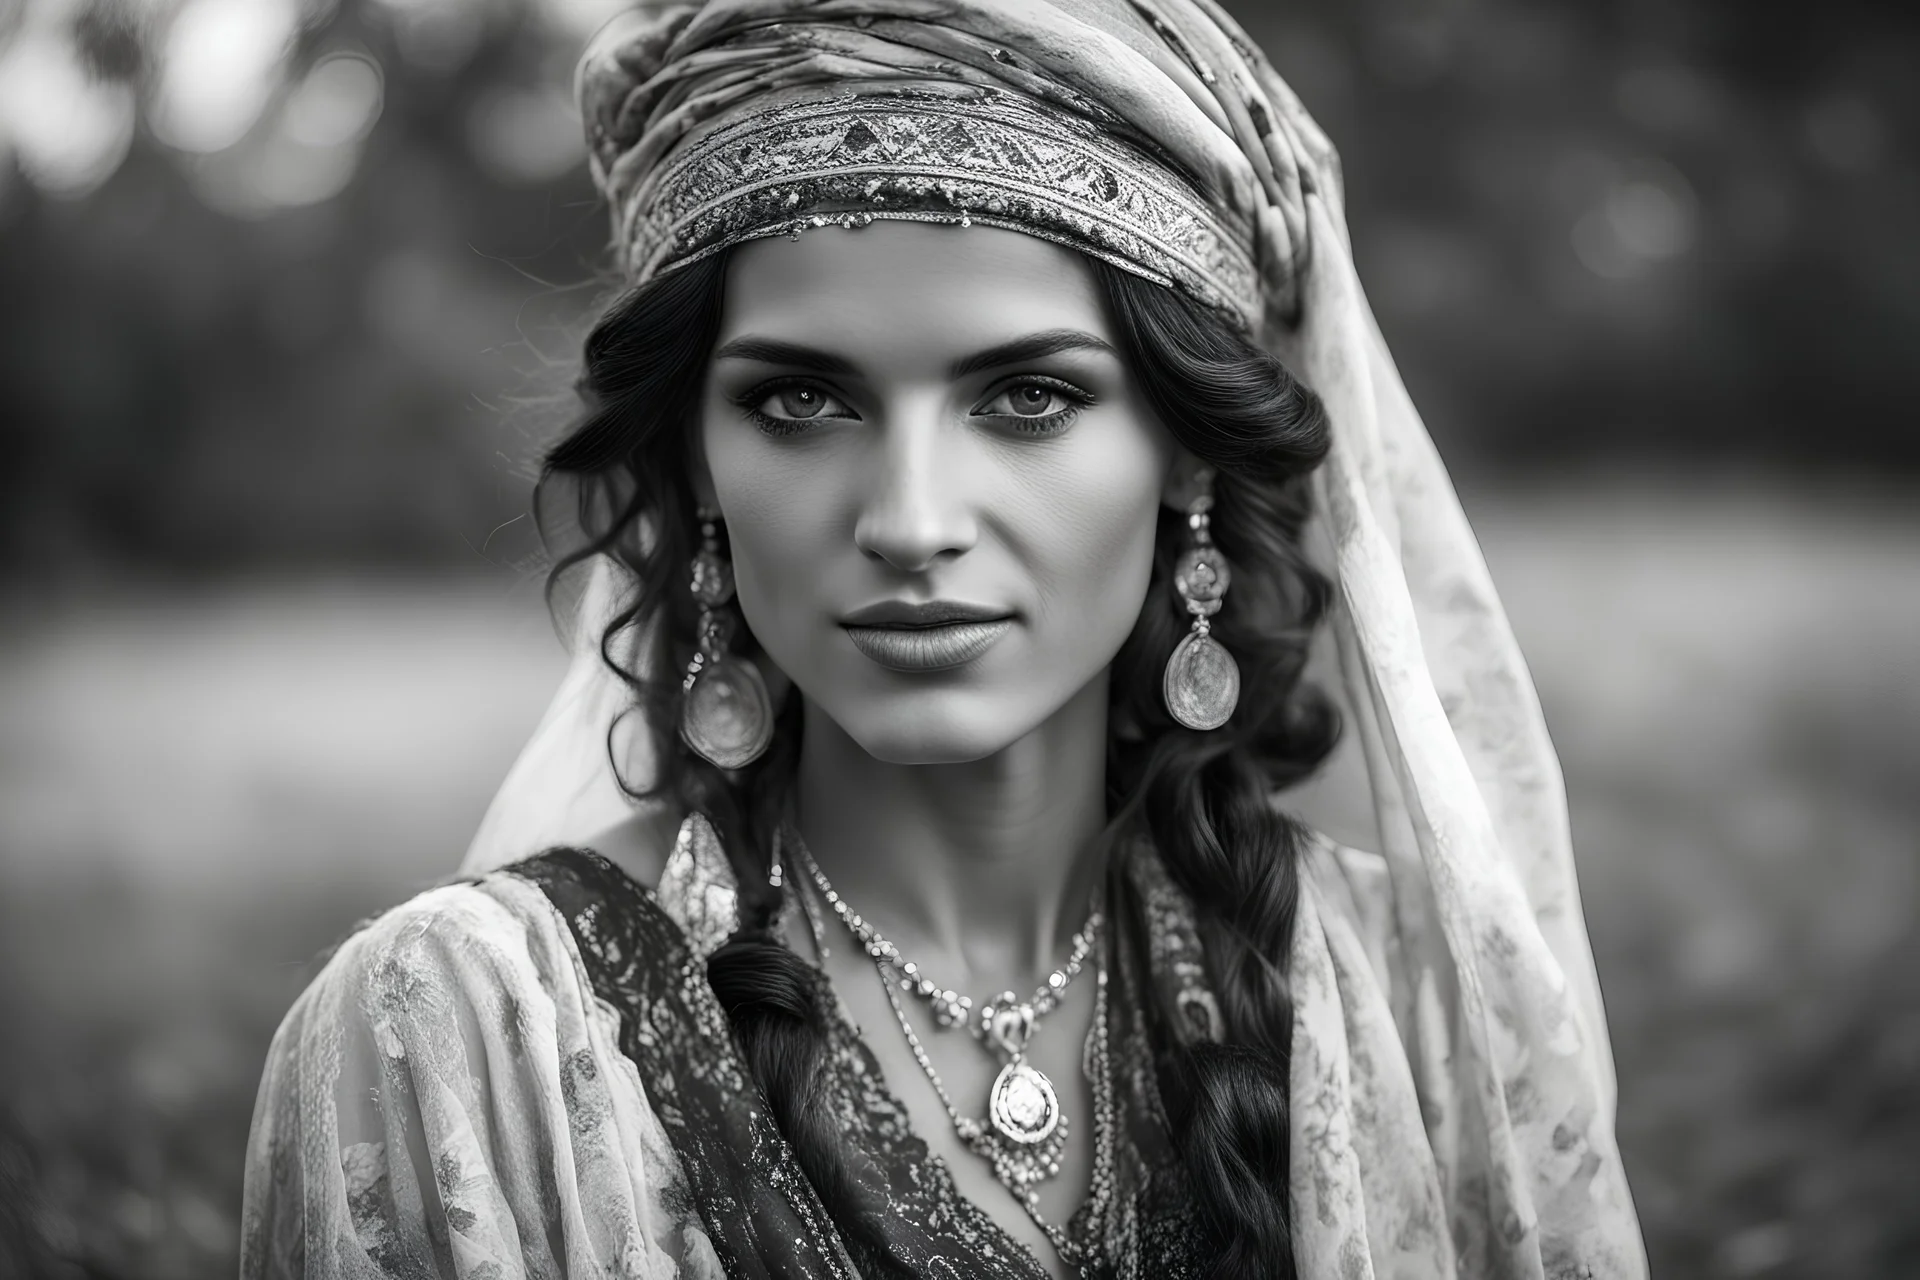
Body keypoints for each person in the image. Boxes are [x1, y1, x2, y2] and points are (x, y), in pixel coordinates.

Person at [240, 2, 1647, 1276]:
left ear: (1188, 458)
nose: (910, 519)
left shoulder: (1408, 996)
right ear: (698, 470)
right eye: (802, 403)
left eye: (1028, 397)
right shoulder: (464, 1039)